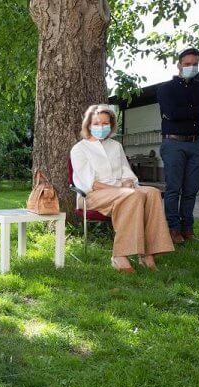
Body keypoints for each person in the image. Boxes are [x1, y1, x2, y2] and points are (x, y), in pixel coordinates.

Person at [71, 105, 175, 272]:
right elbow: (90, 183)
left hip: (122, 192)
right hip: (92, 195)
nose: (101, 127)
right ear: (88, 125)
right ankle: (119, 255)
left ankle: (147, 253)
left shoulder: (116, 146)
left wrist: (128, 182)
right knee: (132, 196)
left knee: (152, 192)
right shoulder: (79, 149)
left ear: (111, 125)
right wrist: (121, 187)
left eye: (105, 123)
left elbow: (126, 171)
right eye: (96, 123)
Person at [156, 47, 199, 244]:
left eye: (195, 64)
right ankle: (173, 229)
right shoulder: (165, 89)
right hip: (173, 143)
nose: (191, 67)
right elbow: (172, 114)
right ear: (179, 65)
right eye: (187, 64)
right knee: (174, 188)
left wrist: (198, 111)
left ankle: (188, 229)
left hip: (195, 143)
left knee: (191, 190)